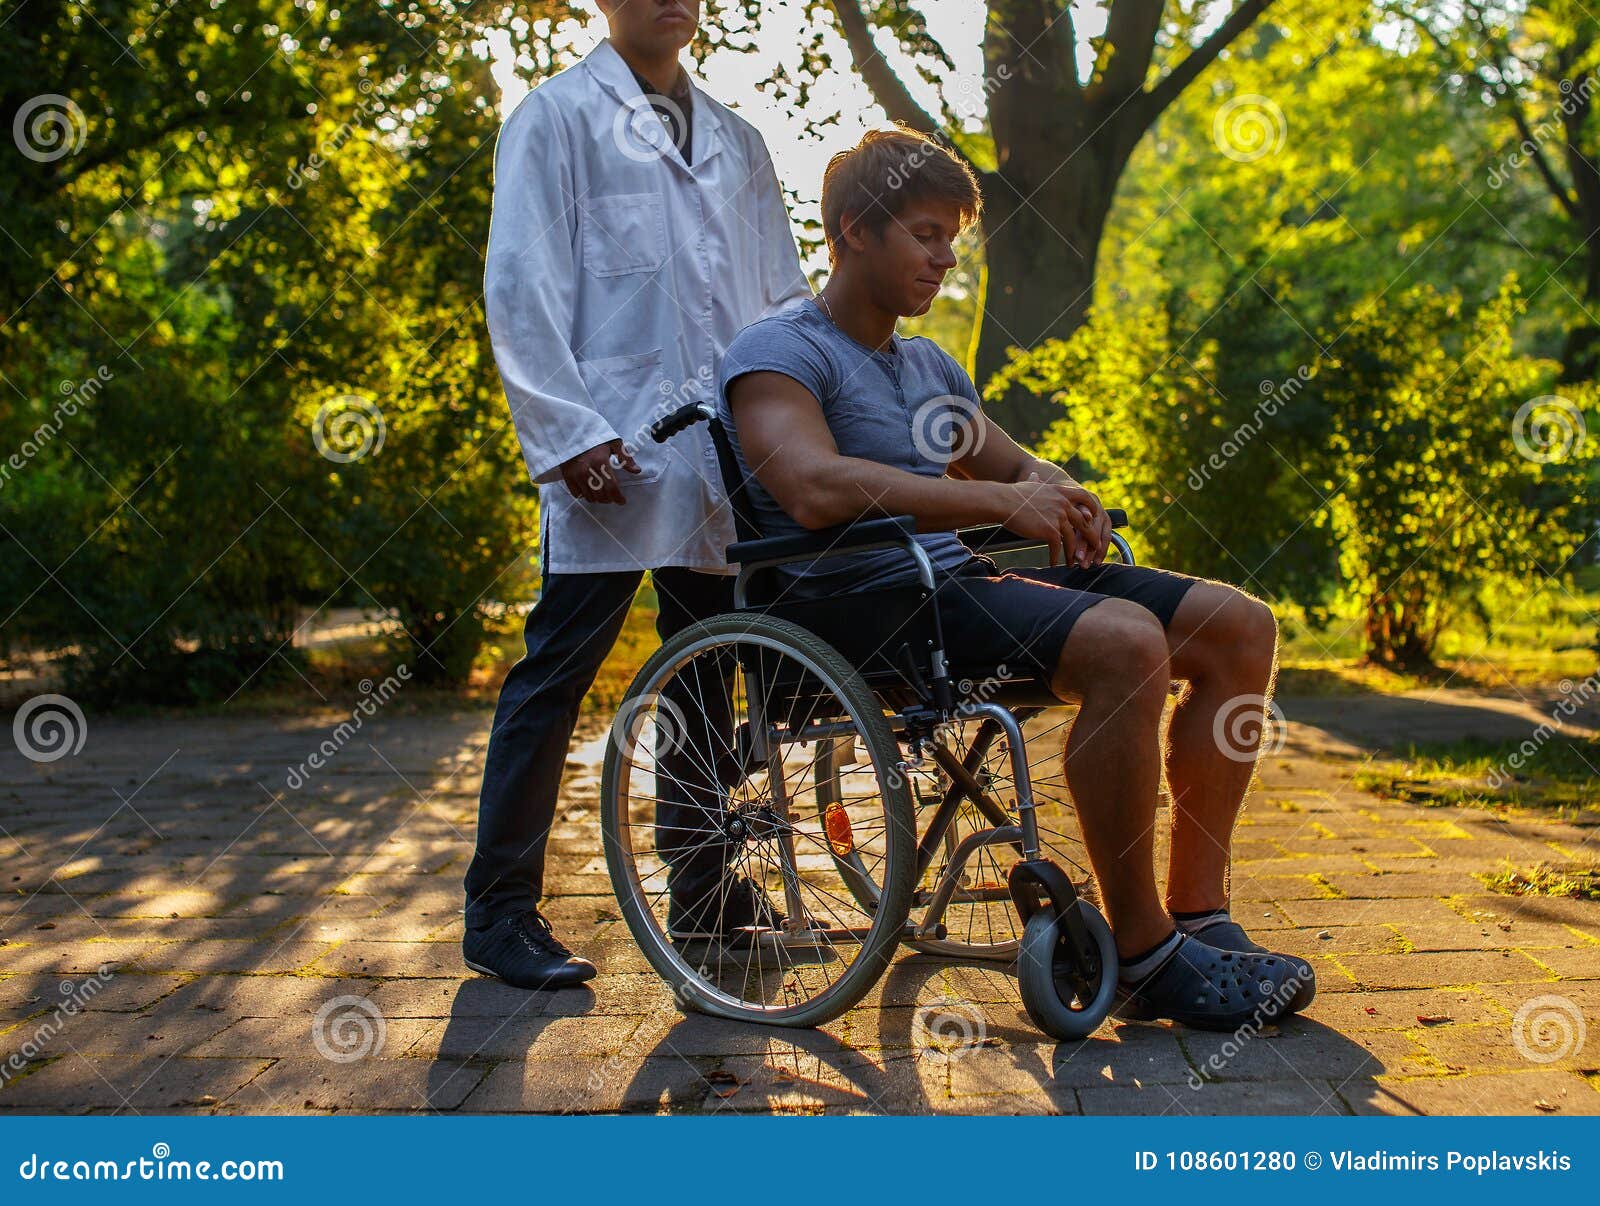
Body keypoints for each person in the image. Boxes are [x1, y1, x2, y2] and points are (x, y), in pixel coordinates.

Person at [716, 127, 1314, 1030]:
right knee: (1124, 644)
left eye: (953, 238)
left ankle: (1199, 913)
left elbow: (1009, 465)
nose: (946, 258)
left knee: (1240, 627)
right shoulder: (779, 354)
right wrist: (998, 502)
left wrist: (1060, 494)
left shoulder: (926, 365)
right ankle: (1147, 953)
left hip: (951, 585)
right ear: (851, 232)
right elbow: (808, 487)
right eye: (925, 235)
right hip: (857, 606)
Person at [465, 0, 809, 990]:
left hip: (721, 450)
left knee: (710, 663)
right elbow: (519, 285)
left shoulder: (740, 142)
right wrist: (567, 433)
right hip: (608, 446)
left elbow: (780, 298)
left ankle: (706, 889)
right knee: (558, 669)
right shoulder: (555, 118)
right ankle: (497, 912)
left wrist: (788, 428)